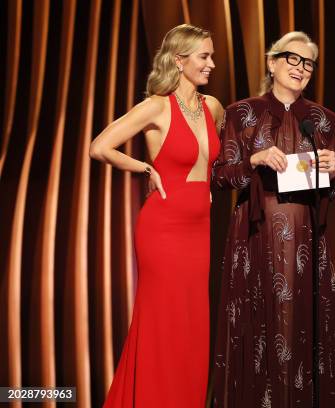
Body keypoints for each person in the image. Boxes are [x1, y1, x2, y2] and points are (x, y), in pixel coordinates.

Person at [89, 24, 222, 407]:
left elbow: (215, 159)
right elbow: (100, 147)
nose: (211, 64)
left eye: (211, 56)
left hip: (200, 230)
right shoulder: (156, 106)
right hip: (163, 229)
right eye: (204, 57)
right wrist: (145, 168)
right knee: (163, 322)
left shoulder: (211, 107)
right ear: (179, 61)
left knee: (192, 325)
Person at [210, 31, 335, 407]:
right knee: (257, 327)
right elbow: (220, 177)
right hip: (256, 232)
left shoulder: (325, 120)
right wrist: (253, 160)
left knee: (299, 326)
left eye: (308, 63)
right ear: (272, 62)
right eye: (292, 59)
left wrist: (334, 172)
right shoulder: (242, 112)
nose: (300, 68)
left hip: (304, 235)